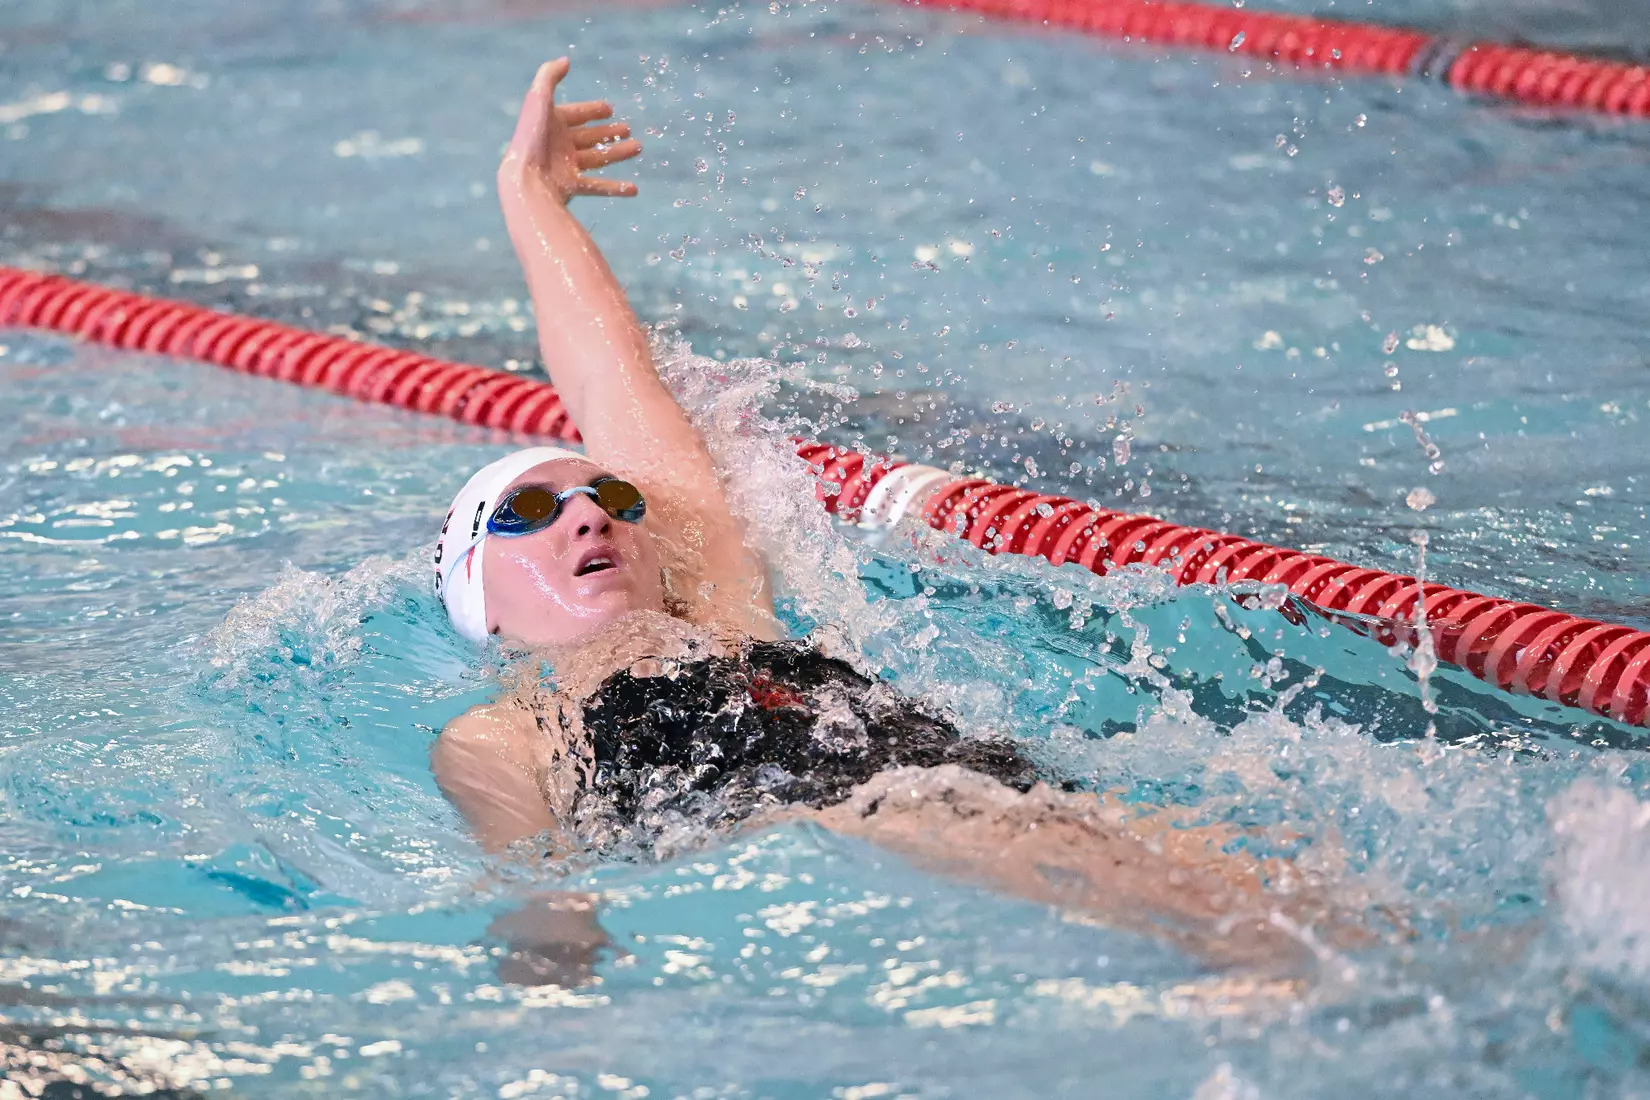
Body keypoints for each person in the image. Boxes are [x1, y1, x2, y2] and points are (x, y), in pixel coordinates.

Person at [431, 58, 1388, 982]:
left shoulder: (722, 612)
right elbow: (531, 867)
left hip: (963, 776)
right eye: (527, 511)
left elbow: (612, 377)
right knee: (1259, 932)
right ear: (478, 595)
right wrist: (556, 950)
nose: (592, 513)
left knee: (1310, 899)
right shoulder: (504, 732)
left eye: (614, 498)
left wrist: (530, 193)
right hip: (843, 822)